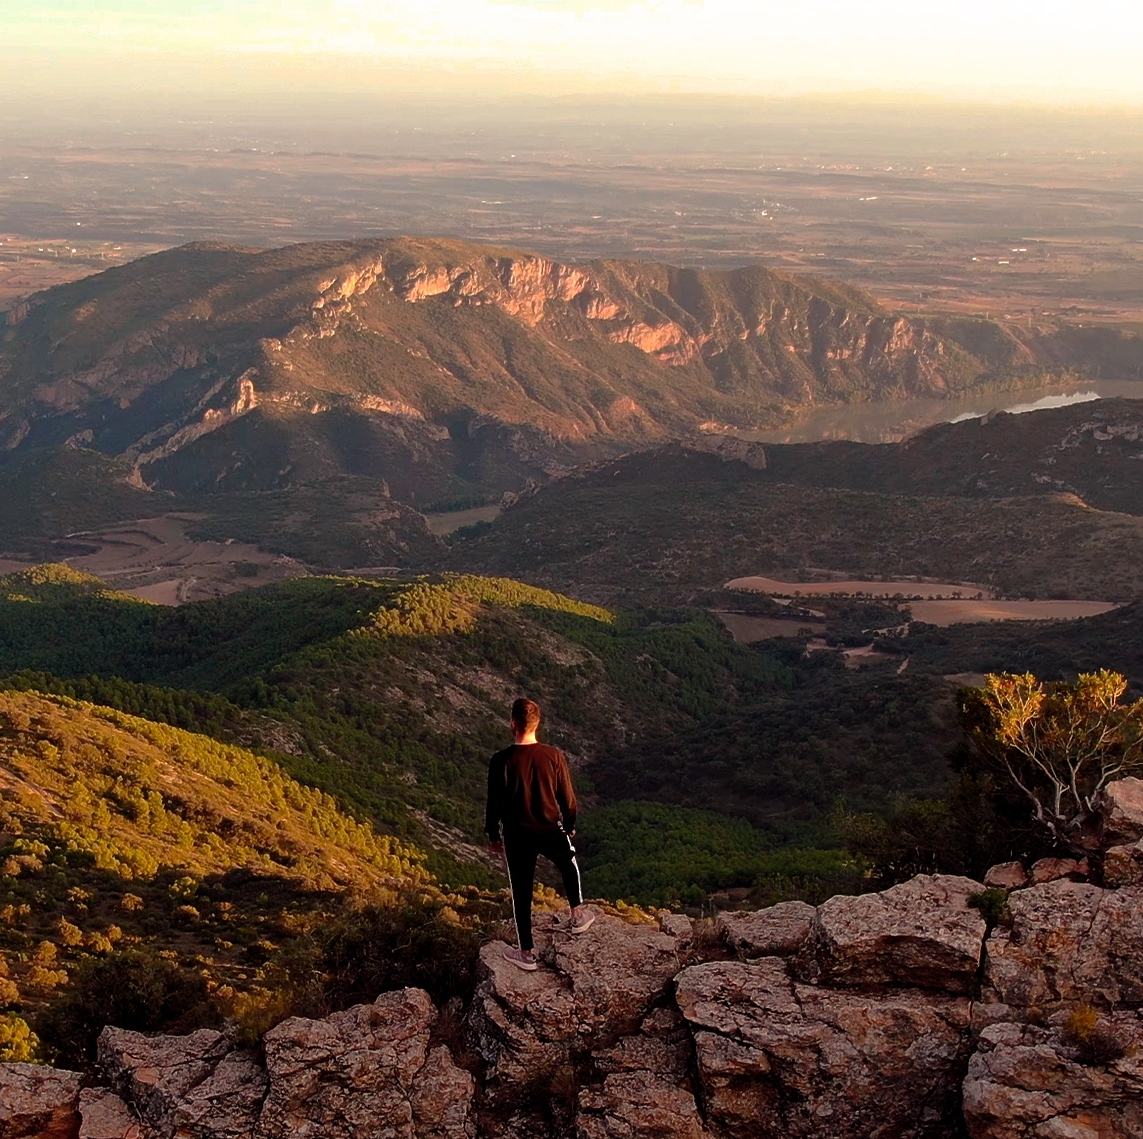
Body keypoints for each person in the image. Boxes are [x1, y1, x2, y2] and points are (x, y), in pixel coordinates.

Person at [486, 696, 593, 970]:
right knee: (568, 863)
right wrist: (569, 824)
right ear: (537, 723)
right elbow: (567, 796)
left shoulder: (501, 761)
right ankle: (577, 913)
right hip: (548, 826)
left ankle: (526, 953)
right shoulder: (553, 755)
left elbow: (494, 803)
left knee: (521, 891)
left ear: (512, 724)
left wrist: (493, 836)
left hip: (516, 834)